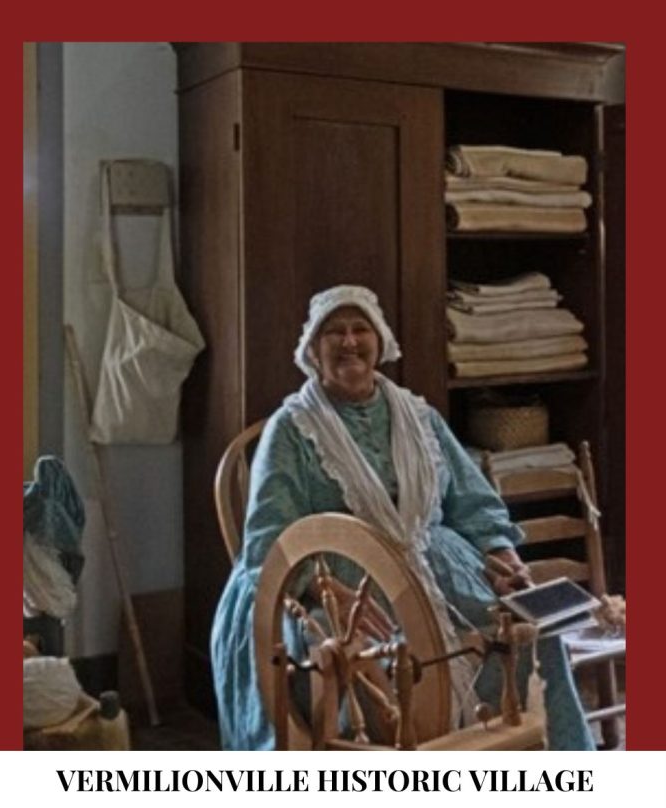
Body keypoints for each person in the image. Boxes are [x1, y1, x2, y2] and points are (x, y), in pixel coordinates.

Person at [211, 285, 595, 752]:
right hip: (339, 587)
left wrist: (502, 553)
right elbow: (269, 540)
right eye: (334, 332)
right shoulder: (291, 431)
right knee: (366, 661)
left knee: (532, 633)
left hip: (440, 563)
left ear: (381, 342)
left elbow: (473, 501)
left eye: (360, 329)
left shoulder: (420, 416)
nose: (349, 341)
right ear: (313, 350)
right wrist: (323, 588)